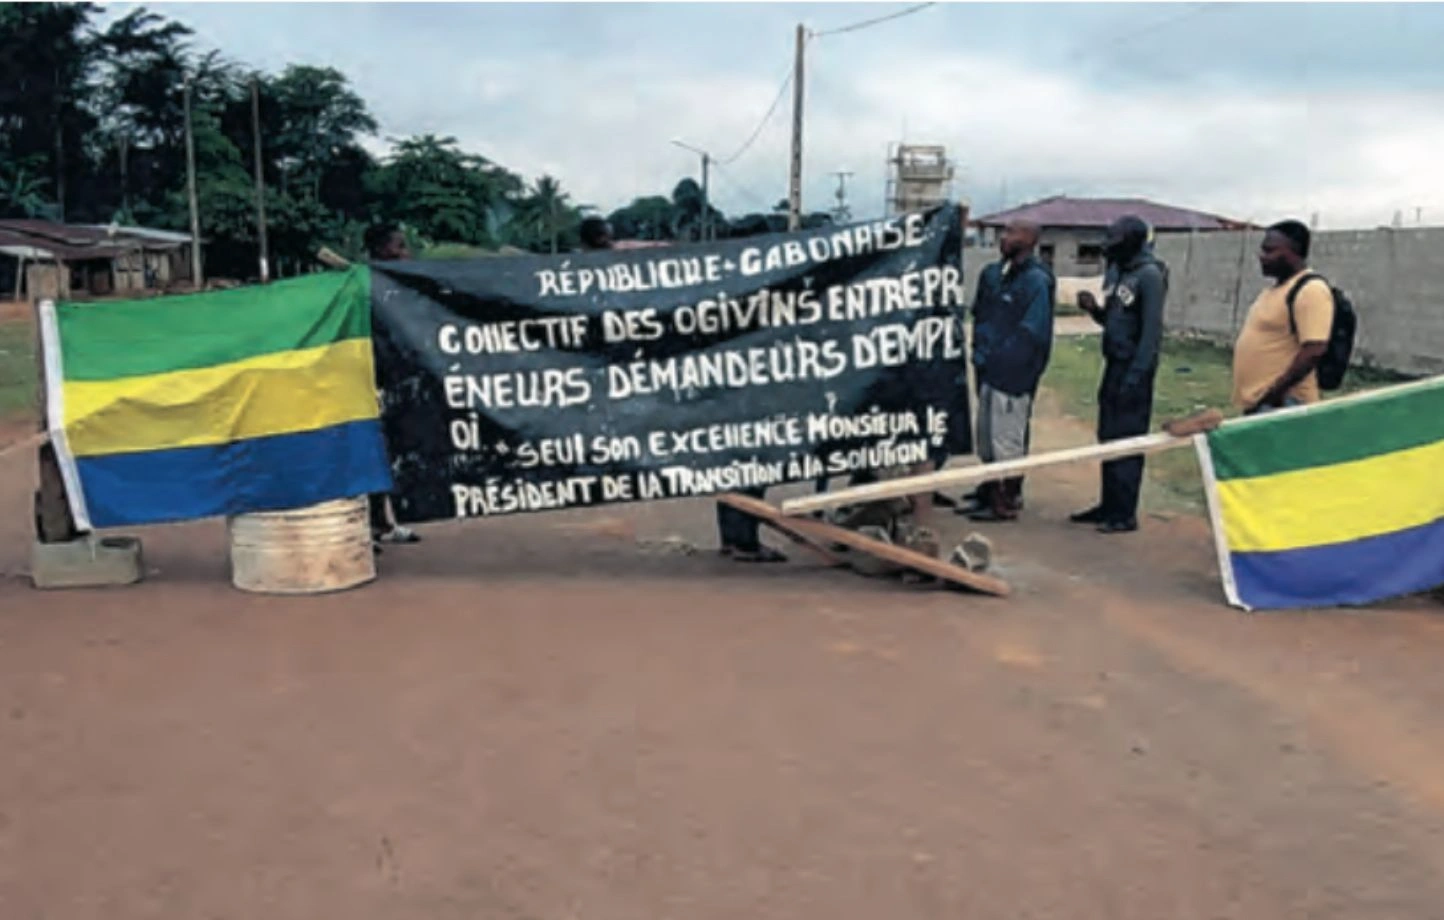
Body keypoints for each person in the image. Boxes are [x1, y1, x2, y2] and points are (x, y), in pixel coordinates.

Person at [1072, 216, 1168, 534]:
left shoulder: (1150, 276)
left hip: (1133, 372)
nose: (1108, 247)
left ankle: (1125, 513)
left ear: (1133, 241)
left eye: (1115, 240)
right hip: (1112, 367)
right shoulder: (1120, 274)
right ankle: (1108, 505)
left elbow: (1150, 336)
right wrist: (1094, 310)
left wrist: (1136, 377)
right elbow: (1115, 322)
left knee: (1127, 441)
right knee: (1108, 439)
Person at [964, 219, 1054, 522]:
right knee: (987, 435)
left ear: (1030, 239)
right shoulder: (997, 274)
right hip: (988, 368)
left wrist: (1006, 360)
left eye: (1011, 233)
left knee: (1007, 437)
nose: (1004, 238)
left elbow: (1033, 332)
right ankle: (989, 490)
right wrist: (980, 354)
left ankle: (1005, 500)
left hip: (1013, 374)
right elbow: (980, 315)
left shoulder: (1036, 281)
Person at [1232, 220, 1334, 414]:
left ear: (1293, 252)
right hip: (1263, 403)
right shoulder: (1274, 291)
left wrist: (1275, 394)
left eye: (1270, 251)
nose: (1262, 257)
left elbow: (1314, 350)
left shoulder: (1311, 290)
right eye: (1263, 250)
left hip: (1284, 404)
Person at [364, 222, 421, 546]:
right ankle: (370, 527)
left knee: (386, 453)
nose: (405, 253)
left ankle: (382, 525)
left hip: (392, 380)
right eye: (399, 247)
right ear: (381, 250)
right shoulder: (362, 286)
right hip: (366, 381)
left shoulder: (398, 287)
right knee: (369, 453)